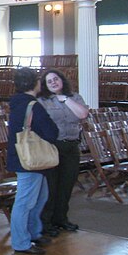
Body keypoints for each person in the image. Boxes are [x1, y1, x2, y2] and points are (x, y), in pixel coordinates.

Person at [7, 67, 58, 255]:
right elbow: (51, 132)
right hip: (29, 159)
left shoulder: (19, 103)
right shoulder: (32, 105)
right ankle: (21, 242)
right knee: (25, 202)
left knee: (39, 197)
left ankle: (34, 232)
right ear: (34, 83)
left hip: (27, 157)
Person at [38, 69, 89, 236]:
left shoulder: (74, 97)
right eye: (49, 81)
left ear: (62, 80)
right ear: (45, 85)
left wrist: (65, 99)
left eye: (55, 79)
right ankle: (46, 222)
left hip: (72, 146)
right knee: (51, 187)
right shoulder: (42, 101)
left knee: (67, 185)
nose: (53, 82)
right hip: (53, 146)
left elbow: (82, 114)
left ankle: (61, 218)